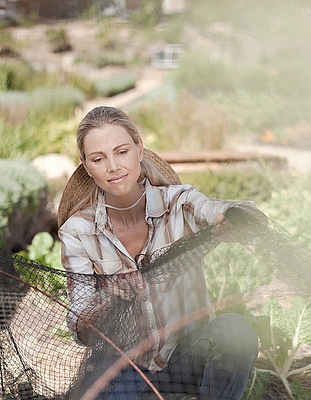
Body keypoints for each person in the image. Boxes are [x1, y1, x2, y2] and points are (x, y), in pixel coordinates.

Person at [57, 106, 262, 400]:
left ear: (139, 149)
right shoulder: (77, 231)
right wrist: (111, 297)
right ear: (86, 166)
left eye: (122, 152)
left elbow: (221, 209)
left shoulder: (178, 203)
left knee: (235, 330)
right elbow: (80, 326)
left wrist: (231, 217)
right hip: (125, 367)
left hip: (186, 357)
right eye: (99, 159)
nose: (113, 166)